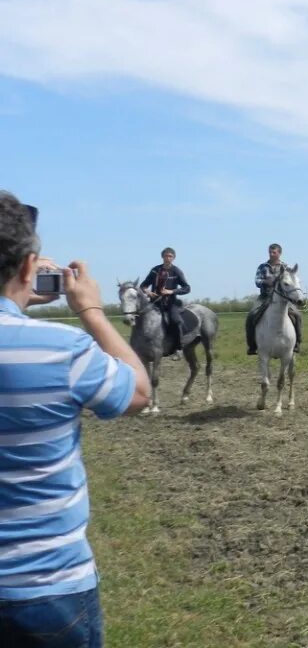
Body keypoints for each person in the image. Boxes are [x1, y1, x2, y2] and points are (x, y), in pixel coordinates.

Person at [0, 191, 151, 646]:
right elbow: (139, 391)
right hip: (46, 589)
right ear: (29, 268)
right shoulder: (62, 349)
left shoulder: (169, 271)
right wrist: (90, 310)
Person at [246, 243, 303, 355]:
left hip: (282, 299)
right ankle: (252, 346)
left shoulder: (286, 267)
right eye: (270, 252)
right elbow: (257, 281)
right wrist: (266, 282)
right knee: (251, 315)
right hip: (265, 296)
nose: (272, 254)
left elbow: (292, 281)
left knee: (297, 315)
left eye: (274, 252)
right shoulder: (262, 267)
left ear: (279, 253)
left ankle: (297, 343)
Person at [140, 247, 190, 358]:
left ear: (174, 258)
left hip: (170, 303)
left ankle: (178, 349)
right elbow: (143, 285)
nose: (168, 258)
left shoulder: (176, 271)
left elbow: (187, 288)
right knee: (142, 319)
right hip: (154, 303)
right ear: (162, 257)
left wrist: (171, 291)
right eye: (166, 256)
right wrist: (148, 292)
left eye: (170, 256)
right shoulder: (155, 270)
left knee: (175, 321)